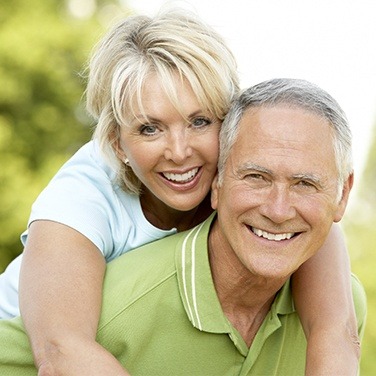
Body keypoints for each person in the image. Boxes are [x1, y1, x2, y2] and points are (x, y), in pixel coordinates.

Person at [0, 8, 360, 376]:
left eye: (199, 121)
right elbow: (62, 353)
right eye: (150, 128)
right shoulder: (80, 199)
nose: (179, 151)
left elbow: (335, 331)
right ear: (117, 143)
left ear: (231, 122)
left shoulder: (254, 189)